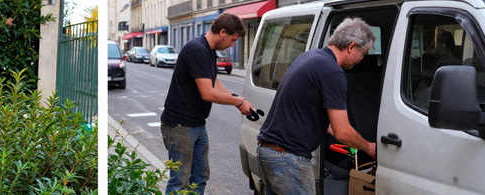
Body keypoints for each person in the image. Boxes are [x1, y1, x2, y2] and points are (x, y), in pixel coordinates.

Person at [257, 17, 377, 195]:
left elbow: (310, 113)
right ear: (351, 46)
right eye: (363, 53)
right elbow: (342, 132)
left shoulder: (310, 57)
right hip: (288, 159)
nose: (361, 59)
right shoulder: (333, 72)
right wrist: (369, 147)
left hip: (269, 151)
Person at [160, 13, 254, 195]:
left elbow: (214, 82)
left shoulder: (208, 51)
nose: (232, 45)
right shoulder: (197, 50)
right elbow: (207, 93)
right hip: (180, 126)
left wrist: (238, 100)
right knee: (179, 181)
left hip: (196, 125)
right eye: (232, 40)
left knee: (200, 176)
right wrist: (237, 102)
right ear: (222, 32)